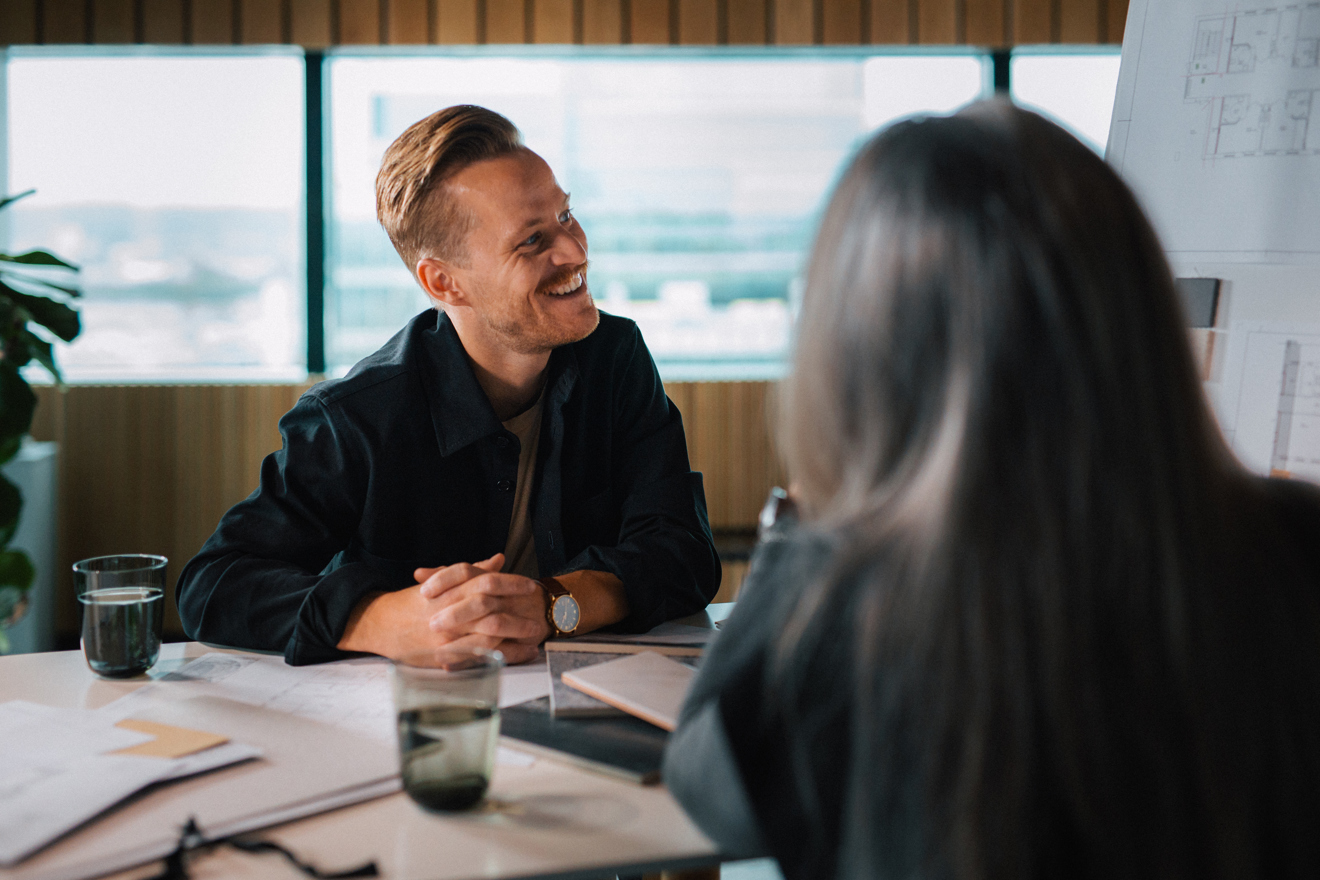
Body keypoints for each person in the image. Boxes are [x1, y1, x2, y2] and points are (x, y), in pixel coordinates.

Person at [663, 101, 1320, 880]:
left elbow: (706, 784)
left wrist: (796, 525)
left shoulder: (846, 613)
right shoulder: (1296, 550)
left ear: (863, 361)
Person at [177, 105, 720, 666]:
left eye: (566, 215)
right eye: (533, 240)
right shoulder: (358, 416)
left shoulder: (615, 357)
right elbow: (214, 583)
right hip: (414, 706)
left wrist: (552, 605)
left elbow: (683, 551)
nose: (575, 251)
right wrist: (381, 620)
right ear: (444, 282)